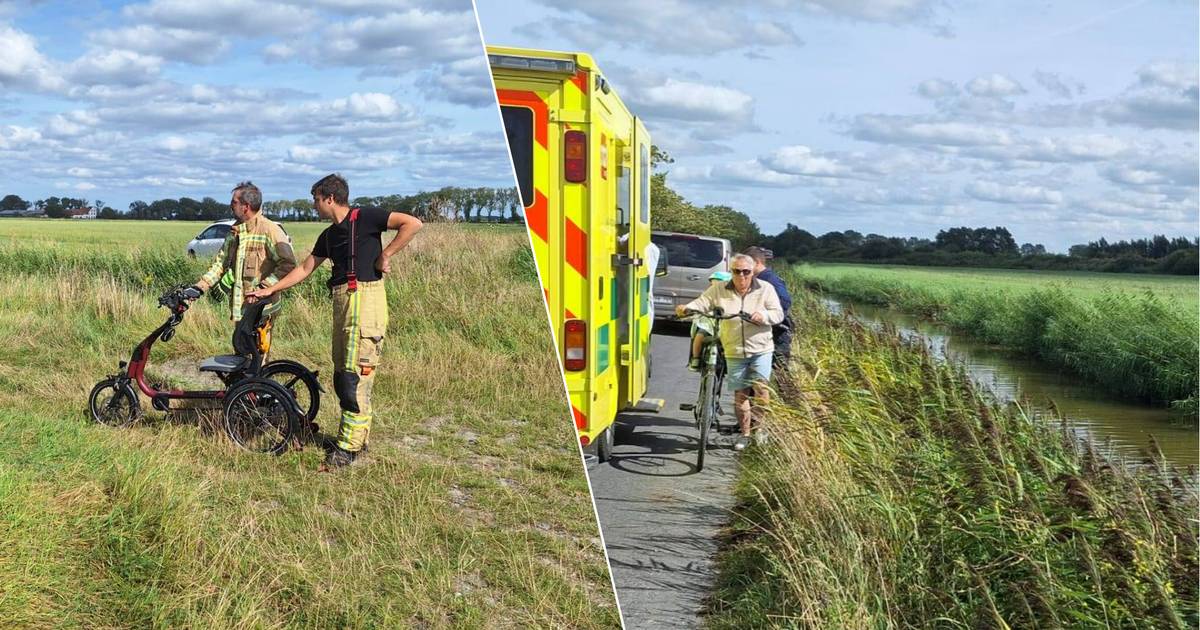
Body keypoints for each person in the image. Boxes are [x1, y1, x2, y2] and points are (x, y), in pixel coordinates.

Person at [246, 173, 423, 470]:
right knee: (343, 371)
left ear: (329, 198)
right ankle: (355, 438)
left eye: (316, 200)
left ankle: (349, 447)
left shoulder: (366, 217)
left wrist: (386, 255)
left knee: (354, 376)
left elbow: (412, 223)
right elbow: (305, 268)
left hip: (366, 300)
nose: (314, 206)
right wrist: (270, 289)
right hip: (342, 301)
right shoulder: (328, 236)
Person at [676, 254, 784, 451]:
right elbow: (702, 303)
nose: (741, 275)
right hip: (734, 349)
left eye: (746, 271)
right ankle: (744, 435)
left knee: (761, 390)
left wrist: (764, 315)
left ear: (752, 272)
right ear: (731, 272)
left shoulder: (766, 289)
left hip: (760, 348)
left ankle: (759, 429)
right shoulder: (719, 289)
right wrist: (687, 308)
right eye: (736, 271)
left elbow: (778, 313)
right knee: (740, 394)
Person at [191, 181, 297, 363]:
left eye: (234, 202)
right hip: (241, 307)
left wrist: (265, 287)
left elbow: (288, 264)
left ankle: (258, 388)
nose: (230, 206)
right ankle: (244, 390)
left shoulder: (270, 230)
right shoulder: (235, 231)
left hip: (262, 308)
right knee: (241, 351)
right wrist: (200, 287)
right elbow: (220, 264)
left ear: (246, 206)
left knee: (258, 355)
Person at [744, 246, 793, 371]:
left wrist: (764, 313)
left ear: (757, 262)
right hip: (759, 331)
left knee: (776, 372)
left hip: (776, 333)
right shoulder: (755, 278)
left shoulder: (771, 280)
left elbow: (785, 302)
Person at [687, 270, 732, 370]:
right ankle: (696, 358)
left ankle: (730, 362)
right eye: (713, 284)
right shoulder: (707, 294)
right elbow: (700, 304)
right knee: (699, 336)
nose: (715, 287)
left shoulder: (731, 296)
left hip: (725, 326)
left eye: (719, 284)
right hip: (708, 324)